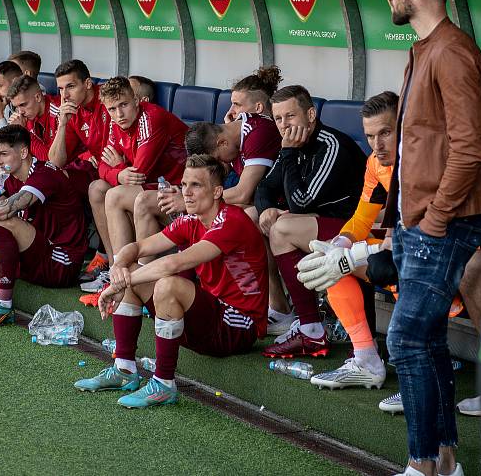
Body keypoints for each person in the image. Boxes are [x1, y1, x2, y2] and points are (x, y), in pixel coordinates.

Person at [382, 0, 481, 476]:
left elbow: (472, 148)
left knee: (404, 337)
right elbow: (413, 149)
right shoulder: (423, 49)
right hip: (419, 218)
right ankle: (445, 460)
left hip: (444, 219)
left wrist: (434, 218)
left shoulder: (451, 51)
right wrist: (395, 217)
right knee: (425, 338)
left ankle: (422, 465)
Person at [75, 154, 267, 408]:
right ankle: (124, 369)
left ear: (218, 191)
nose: (186, 192)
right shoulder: (191, 220)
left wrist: (119, 283)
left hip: (240, 325)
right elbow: (137, 247)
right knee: (135, 270)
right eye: (184, 184)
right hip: (211, 318)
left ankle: (164, 383)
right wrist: (120, 267)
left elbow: (173, 264)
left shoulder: (231, 221)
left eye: (196, 185)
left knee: (167, 283)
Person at [154, 66, 289, 334]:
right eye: (232, 105)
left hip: (283, 205)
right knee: (153, 203)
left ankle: (275, 308)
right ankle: (181, 289)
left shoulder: (258, 132)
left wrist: (186, 200)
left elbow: (243, 193)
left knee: (244, 219)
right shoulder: (235, 131)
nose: (234, 110)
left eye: (238, 104)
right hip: (264, 202)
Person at [292, 91, 398, 390]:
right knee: (330, 262)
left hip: (449, 255)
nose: (377, 145)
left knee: (347, 263)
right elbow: (362, 219)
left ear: (404, 126)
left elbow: (415, 238)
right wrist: (342, 242)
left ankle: (424, 384)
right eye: (370, 135)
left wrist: (355, 255)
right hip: (405, 250)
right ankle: (366, 359)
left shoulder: (418, 163)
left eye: (386, 133)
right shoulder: (376, 163)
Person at [254, 85, 366, 358]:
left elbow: (300, 203)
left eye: (290, 116)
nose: (284, 125)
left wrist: (289, 153)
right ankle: (298, 320)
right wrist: (268, 208)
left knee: (282, 229)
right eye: (278, 119)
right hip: (325, 225)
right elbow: (264, 188)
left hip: (356, 230)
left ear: (311, 114)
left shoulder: (330, 145)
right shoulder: (292, 144)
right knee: (259, 217)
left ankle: (311, 329)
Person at [0, 125, 88, 325]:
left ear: (23, 152)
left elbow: (0, 212)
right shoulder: (6, 175)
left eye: (4, 154)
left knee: (2, 221)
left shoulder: (44, 174)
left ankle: (3, 306)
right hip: (36, 256)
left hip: (61, 264)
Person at [93, 77, 188, 297]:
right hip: (159, 189)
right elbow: (101, 166)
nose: (119, 114)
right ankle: (119, 274)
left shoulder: (151, 118)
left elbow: (138, 173)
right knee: (102, 189)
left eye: (123, 105)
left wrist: (118, 166)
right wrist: (118, 172)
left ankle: (127, 279)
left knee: (115, 196)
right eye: (112, 109)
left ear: (136, 100)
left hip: (181, 193)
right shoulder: (116, 123)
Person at [48, 59, 112, 281]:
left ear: (88, 83)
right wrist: (63, 123)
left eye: (70, 86)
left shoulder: (108, 100)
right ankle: (64, 247)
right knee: (54, 177)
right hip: (104, 172)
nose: (64, 95)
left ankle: (108, 260)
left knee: (98, 189)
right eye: (60, 89)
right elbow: (55, 161)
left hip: (127, 172)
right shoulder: (72, 112)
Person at [5, 75, 59, 161]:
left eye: (23, 105)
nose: (20, 111)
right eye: (17, 107)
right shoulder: (26, 116)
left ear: (38, 97)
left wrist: (23, 133)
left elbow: (50, 160)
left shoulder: (58, 113)